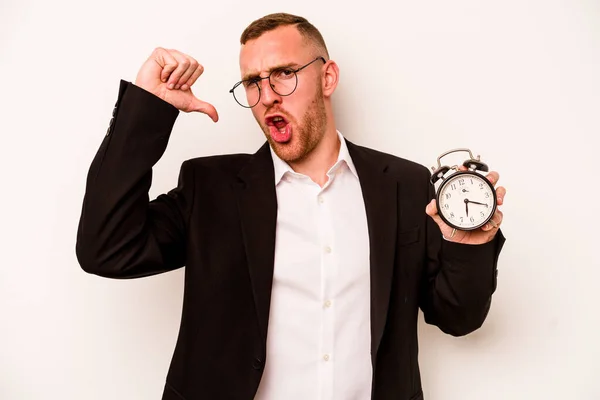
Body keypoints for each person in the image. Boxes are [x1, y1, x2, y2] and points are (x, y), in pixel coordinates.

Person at [76, 12, 506, 400]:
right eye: (252, 82)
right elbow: (106, 248)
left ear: (328, 77)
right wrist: (147, 111)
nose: (266, 97)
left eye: (283, 74)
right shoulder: (211, 189)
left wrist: (468, 242)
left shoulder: (405, 185)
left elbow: (458, 317)